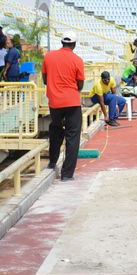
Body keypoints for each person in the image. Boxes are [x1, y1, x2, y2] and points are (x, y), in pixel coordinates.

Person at [42, 31, 85, 181]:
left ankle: (52, 162)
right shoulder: (77, 60)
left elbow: (45, 79)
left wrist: (55, 87)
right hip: (72, 102)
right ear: (73, 44)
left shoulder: (48, 56)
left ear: (62, 42)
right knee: (73, 136)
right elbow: (80, 83)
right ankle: (67, 175)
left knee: (55, 128)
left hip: (55, 102)